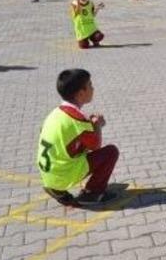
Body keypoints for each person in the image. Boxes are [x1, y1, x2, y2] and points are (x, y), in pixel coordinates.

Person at [38, 68, 119, 207]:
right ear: (81, 93)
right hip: (63, 174)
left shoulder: (55, 113)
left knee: (77, 149)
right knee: (111, 152)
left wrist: (89, 125)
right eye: (90, 86)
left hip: (48, 173)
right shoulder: (77, 120)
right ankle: (91, 194)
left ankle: (57, 189)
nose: (93, 89)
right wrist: (97, 125)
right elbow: (96, 145)